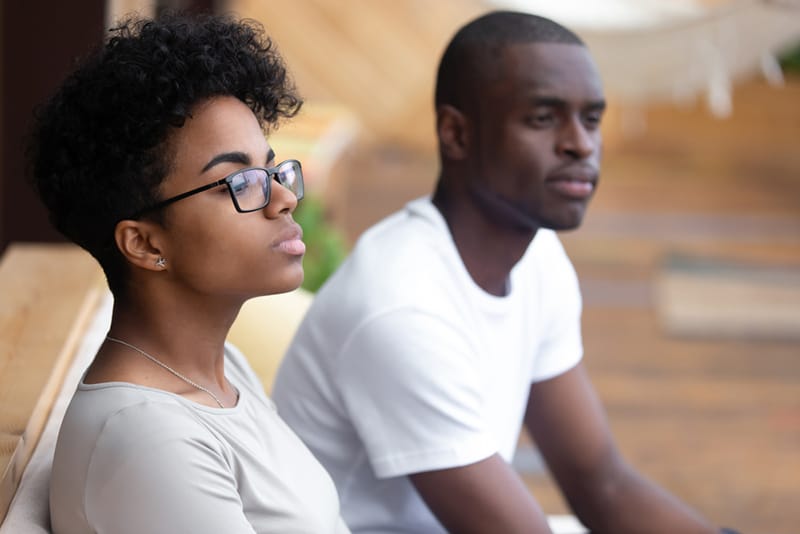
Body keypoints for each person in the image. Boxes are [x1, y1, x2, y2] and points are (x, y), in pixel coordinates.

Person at [272, 11, 735, 534]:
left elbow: (601, 481)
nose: (580, 144)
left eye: (591, 119)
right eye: (544, 118)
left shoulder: (538, 257)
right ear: (456, 133)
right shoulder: (401, 305)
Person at [27, 13, 350, 534]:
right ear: (145, 243)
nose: (284, 198)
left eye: (271, 170)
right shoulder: (147, 440)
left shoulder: (224, 371)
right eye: (238, 181)